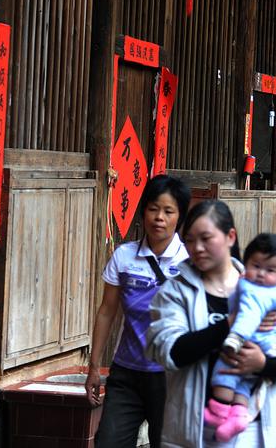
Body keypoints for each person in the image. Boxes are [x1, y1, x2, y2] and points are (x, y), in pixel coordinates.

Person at [146, 199, 276, 448]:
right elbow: (168, 351)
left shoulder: (264, 286)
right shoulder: (174, 292)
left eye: (206, 238)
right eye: (189, 240)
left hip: (256, 429)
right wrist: (231, 324)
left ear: (230, 237)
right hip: (194, 430)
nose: (197, 248)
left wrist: (263, 363)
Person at [85, 173, 191, 448]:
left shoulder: (192, 263)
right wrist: (94, 367)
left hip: (172, 378)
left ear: (179, 217)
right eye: (153, 209)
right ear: (143, 211)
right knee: (108, 442)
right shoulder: (124, 256)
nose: (159, 217)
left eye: (168, 211)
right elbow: (107, 311)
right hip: (126, 375)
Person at [205, 233, 276, 441]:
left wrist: (235, 339)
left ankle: (219, 412)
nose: (261, 274)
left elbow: (248, 317)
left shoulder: (255, 291)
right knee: (243, 383)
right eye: (256, 266)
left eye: (270, 270)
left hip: (244, 344)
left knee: (225, 372)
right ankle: (237, 415)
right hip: (262, 347)